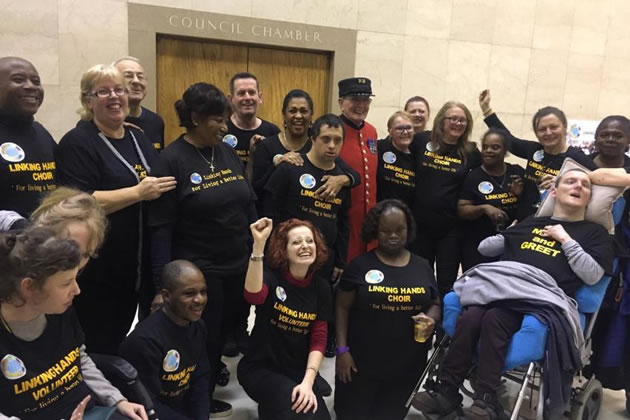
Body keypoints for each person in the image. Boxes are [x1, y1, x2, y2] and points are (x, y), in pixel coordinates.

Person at [413, 169, 614, 420]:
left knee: (495, 318)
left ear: (588, 198)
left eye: (585, 185)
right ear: (554, 192)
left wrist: (565, 239)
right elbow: (484, 249)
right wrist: (507, 235)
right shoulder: (531, 222)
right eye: (571, 181)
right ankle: (447, 391)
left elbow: (592, 275)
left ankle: (484, 398)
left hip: (541, 293)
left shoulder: (596, 234)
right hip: (502, 285)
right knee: (471, 316)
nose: (578, 186)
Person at [148, 82, 256, 417]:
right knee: (203, 340)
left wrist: (259, 246)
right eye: (217, 119)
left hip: (238, 263)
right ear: (195, 118)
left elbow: (245, 201)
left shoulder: (223, 151)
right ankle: (199, 402)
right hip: (200, 269)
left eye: (225, 118)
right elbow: (160, 228)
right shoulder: (171, 160)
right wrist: (160, 285)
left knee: (226, 335)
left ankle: (206, 387)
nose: (225, 126)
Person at [55, 64, 176, 355]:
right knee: (95, 341)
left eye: (119, 89)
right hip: (98, 268)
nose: (114, 96)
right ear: (88, 100)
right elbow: (76, 203)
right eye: (104, 91)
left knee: (122, 337)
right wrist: (137, 193)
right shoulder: (77, 142)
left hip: (138, 264)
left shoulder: (138, 138)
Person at [0, 227, 148, 420]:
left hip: (90, 412)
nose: (77, 290)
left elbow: (78, 357)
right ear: (28, 287)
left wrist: (117, 400)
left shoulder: (59, 309)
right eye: (65, 283)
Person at [334, 200, 440, 420]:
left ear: (408, 229)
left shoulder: (422, 266)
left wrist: (430, 318)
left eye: (400, 230)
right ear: (375, 230)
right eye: (386, 231)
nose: (393, 235)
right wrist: (342, 351)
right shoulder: (359, 266)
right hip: (361, 365)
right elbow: (342, 307)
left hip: (407, 364)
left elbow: (435, 302)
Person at [238, 217, 332, 420]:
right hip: (261, 368)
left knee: (320, 417)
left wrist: (308, 381)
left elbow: (319, 337)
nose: (305, 246)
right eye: (296, 242)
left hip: (297, 370)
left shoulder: (321, 288)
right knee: (300, 414)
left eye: (309, 241)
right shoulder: (272, 277)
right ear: (284, 250)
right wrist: (258, 246)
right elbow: (253, 295)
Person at [479, 89, 596, 221]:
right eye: (542, 129)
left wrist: (561, 181)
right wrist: (486, 110)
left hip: (555, 225)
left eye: (553, 127)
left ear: (564, 127)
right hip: (525, 220)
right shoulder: (533, 150)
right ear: (536, 133)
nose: (548, 133)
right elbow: (509, 140)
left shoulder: (577, 158)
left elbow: (598, 185)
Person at [264, 113, 351, 286]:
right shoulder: (290, 168)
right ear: (313, 138)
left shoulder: (341, 180)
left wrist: (340, 261)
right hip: (286, 259)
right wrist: (270, 252)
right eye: (325, 139)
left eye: (337, 140)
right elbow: (268, 211)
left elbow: (343, 222)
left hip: (324, 263)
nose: (332, 146)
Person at [119, 260, 210, 420]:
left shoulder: (197, 327)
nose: (199, 299)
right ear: (166, 296)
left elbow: (200, 380)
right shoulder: (144, 341)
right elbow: (147, 403)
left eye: (203, 291)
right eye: (189, 294)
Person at [411, 101, 481, 297]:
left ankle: (442, 326)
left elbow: (487, 174)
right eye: (453, 119)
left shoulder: (471, 152)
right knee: (419, 279)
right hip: (420, 226)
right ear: (442, 120)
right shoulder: (421, 141)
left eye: (463, 120)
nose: (458, 123)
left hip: (451, 230)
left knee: (446, 283)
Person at [251, 89, 358, 217]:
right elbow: (255, 190)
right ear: (284, 115)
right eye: (292, 111)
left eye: (303, 111)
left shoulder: (317, 146)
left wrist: (341, 180)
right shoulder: (267, 146)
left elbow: (355, 175)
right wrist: (277, 165)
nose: (298, 116)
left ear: (311, 115)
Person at [587, 116, 630, 413]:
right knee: (586, 321)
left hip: (624, 261)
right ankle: (581, 377)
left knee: (621, 328)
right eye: (605, 134)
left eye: (618, 135)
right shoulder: (579, 161)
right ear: (596, 137)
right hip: (585, 255)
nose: (611, 139)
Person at [457, 128, 524, 270]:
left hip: (510, 244)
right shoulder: (474, 176)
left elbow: (531, 205)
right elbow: (462, 209)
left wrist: (520, 193)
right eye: (485, 147)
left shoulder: (516, 173)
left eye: (495, 147)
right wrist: (484, 208)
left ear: (505, 151)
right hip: (477, 245)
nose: (488, 151)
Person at [0, 57, 56, 220]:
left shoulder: (41, 133)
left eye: (36, 81)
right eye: (18, 80)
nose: (31, 87)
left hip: (45, 239)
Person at [337, 77, 378, 261]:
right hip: (342, 218)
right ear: (341, 102)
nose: (361, 105)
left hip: (369, 218)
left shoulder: (371, 131)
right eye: (354, 100)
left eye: (365, 100)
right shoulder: (332, 129)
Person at [226, 72, 280, 165]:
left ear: (260, 97)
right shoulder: (221, 130)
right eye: (241, 93)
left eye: (252, 92)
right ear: (231, 99)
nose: (247, 98)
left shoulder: (272, 132)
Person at [113, 57, 165, 152]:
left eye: (140, 77)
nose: (136, 81)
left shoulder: (155, 121)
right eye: (128, 76)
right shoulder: (102, 123)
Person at [377, 111, 416, 208]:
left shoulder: (418, 157)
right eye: (399, 128)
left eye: (408, 128)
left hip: (406, 216)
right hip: (380, 213)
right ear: (390, 131)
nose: (405, 132)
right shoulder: (380, 148)